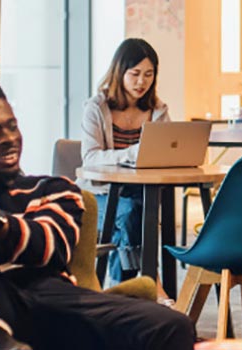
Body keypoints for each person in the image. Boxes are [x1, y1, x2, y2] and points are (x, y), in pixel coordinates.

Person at [0, 82, 196, 350]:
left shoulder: (52, 188)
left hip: (51, 300)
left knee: (173, 326)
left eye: (11, 126)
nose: (8, 138)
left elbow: (50, 247)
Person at [79, 38, 170, 284]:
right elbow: (90, 159)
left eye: (149, 74)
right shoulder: (96, 108)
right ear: (120, 72)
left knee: (135, 212)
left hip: (141, 194)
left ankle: (123, 289)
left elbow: (167, 154)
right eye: (135, 73)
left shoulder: (158, 111)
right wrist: (133, 152)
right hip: (100, 196)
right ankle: (151, 280)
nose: (142, 82)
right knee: (133, 214)